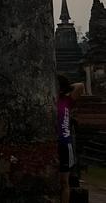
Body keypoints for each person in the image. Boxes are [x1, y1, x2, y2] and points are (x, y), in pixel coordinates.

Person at [58, 74, 85, 203]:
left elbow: (80, 86)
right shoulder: (49, 99)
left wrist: (67, 87)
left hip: (65, 144)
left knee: (64, 182)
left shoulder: (67, 101)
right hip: (53, 144)